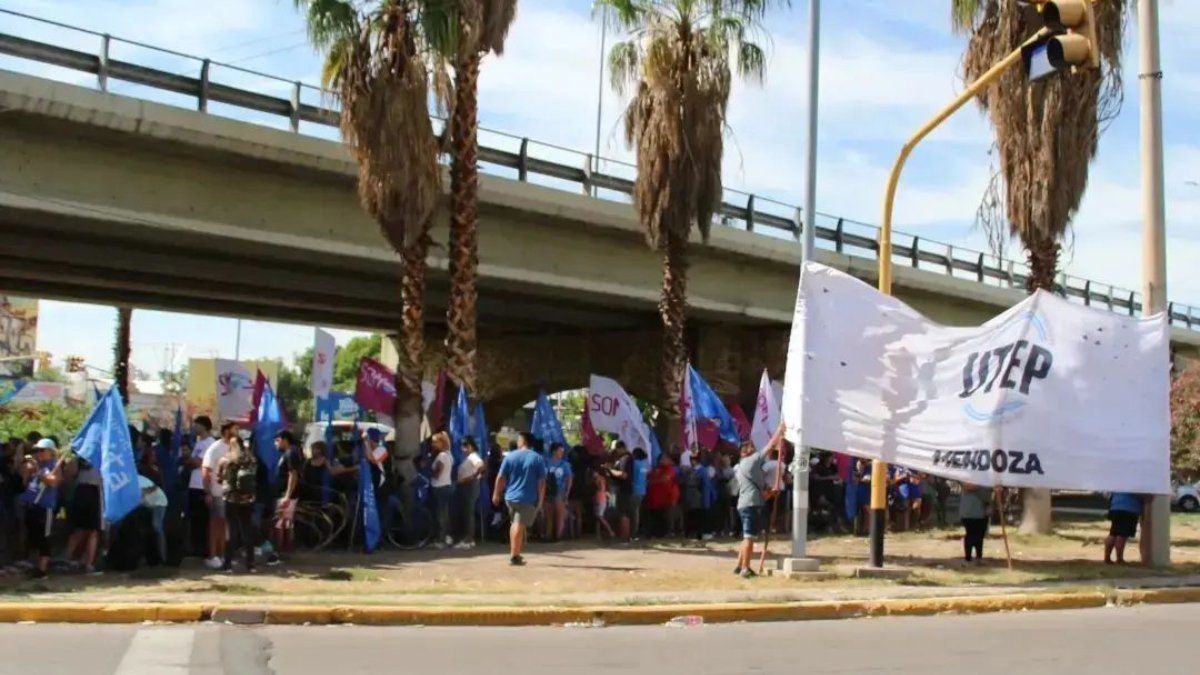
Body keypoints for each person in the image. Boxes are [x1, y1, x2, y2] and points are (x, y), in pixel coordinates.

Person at [491, 432, 546, 566]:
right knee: (518, 524)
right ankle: (514, 555)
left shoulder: (510, 457)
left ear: (523, 441)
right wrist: (540, 500)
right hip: (527, 498)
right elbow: (542, 482)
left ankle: (515, 553)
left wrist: (496, 493)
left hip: (510, 497)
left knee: (514, 523)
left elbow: (501, 477)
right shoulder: (537, 458)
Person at [734, 429, 782, 579]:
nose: (753, 448)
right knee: (749, 537)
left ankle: (739, 566)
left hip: (747, 502)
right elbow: (769, 447)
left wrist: (771, 494)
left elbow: (757, 492)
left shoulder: (745, 467)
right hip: (750, 505)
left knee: (746, 537)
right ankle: (745, 569)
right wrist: (779, 431)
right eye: (749, 447)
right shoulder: (751, 461)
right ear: (743, 452)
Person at [19, 439, 62, 578]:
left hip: (44, 506)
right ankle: (33, 565)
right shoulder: (37, 465)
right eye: (37, 450)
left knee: (44, 537)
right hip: (31, 504)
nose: (39, 453)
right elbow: (26, 484)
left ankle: (42, 569)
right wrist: (27, 471)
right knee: (33, 536)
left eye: (42, 450)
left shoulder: (54, 465)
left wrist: (38, 470)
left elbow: (53, 481)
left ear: (50, 452)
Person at [217, 436, 258, 573]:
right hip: (247, 499)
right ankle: (250, 565)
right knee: (247, 531)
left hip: (231, 499)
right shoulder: (251, 460)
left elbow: (219, 478)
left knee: (232, 531)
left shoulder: (225, 460)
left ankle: (228, 565)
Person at [201, 422, 237, 570]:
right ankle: (213, 556)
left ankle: (223, 556)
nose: (237, 432)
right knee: (216, 525)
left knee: (225, 526)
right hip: (217, 493)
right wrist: (208, 491)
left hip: (231, 494)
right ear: (225, 432)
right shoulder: (215, 448)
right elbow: (206, 470)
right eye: (235, 429)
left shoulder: (235, 447)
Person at [270, 430, 304, 565]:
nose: (275, 444)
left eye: (277, 440)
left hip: (286, 494)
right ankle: (284, 553)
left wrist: (287, 496)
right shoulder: (291, 452)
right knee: (285, 523)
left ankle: (278, 553)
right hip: (286, 493)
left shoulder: (291, 452)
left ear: (284, 439)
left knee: (279, 523)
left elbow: (293, 474)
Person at [66, 455, 103, 573]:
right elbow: (69, 474)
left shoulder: (105, 454)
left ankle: (89, 564)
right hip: (81, 490)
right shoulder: (80, 456)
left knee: (93, 530)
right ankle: (69, 560)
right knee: (78, 530)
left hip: (96, 491)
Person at [185, 416, 215, 558]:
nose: (194, 427)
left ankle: (205, 550)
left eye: (196, 424)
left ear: (204, 426)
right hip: (193, 485)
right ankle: (196, 548)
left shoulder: (210, 443)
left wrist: (188, 458)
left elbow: (201, 463)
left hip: (203, 486)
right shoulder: (199, 443)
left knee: (203, 520)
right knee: (195, 519)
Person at [456, 438, 486, 549]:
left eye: (464, 446)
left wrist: (471, 477)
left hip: (469, 486)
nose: (462, 449)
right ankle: (469, 538)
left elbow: (481, 466)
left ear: (470, 446)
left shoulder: (473, 456)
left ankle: (468, 539)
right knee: (467, 513)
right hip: (467, 486)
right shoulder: (469, 457)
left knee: (469, 513)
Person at [428, 432, 454, 549]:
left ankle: (441, 539)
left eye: (435, 442)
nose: (433, 444)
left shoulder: (442, 456)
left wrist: (428, 471)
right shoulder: (449, 455)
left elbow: (437, 473)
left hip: (440, 487)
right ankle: (446, 537)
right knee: (445, 513)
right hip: (446, 486)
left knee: (440, 514)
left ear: (441, 443)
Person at [643, 453, 678, 538]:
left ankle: (669, 532)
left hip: (667, 497)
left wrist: (651, 482)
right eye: (661, 458)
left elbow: (665, 479)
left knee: (668, 515)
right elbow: (649, 476)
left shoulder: (670, 469)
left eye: (665, 458)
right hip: (655, 498)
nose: (662, 460)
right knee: (656, 516)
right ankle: (656, 533)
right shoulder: (656, 469)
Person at [1105, 492, 1144, 565]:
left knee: (1113, 533)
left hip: (1115, 507)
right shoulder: (1134, 481)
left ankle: (1107, 557)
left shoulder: (1120, 481)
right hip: (1129, 508)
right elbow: (1136, 493)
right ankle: (1119, 559)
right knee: (1122, 534)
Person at [606, 442, 634, 541]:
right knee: (621, 512)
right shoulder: (621, 459)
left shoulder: (627, 459)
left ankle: (625, 537)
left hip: (625, 489)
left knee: (624, 513)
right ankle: (623, 536)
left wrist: (611, 470)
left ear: (621, 448)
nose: (615, 452)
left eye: (616, 450)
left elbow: (624, 475)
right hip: (621, 488)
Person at [958, 482, 992, 565]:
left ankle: (979, 557)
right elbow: (969, 486)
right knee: (970, 535)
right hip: (968, 513)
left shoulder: (986, 484)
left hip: (981, 512)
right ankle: (968, 558)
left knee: (979, 536)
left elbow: (987, 497)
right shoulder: (968, 479)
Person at [545, 443, 572, 542]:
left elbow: (569, 479)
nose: (562, 452)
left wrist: (567, 492)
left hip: (560, 492)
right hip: (548, 492)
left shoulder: (565, 464)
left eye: (562, 451)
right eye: (560, 450)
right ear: (554, 451)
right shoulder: (546, 462)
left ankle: (558, 535)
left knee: (559, 514)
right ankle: (548, 536)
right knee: (549, 514)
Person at [631, 448, 650, 541]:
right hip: (643, 490)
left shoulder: (635, 464)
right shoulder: (645, 464)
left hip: (635, 490)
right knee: (638, 512)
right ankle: (637, 532)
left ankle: (633, 534)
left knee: (634, 513)